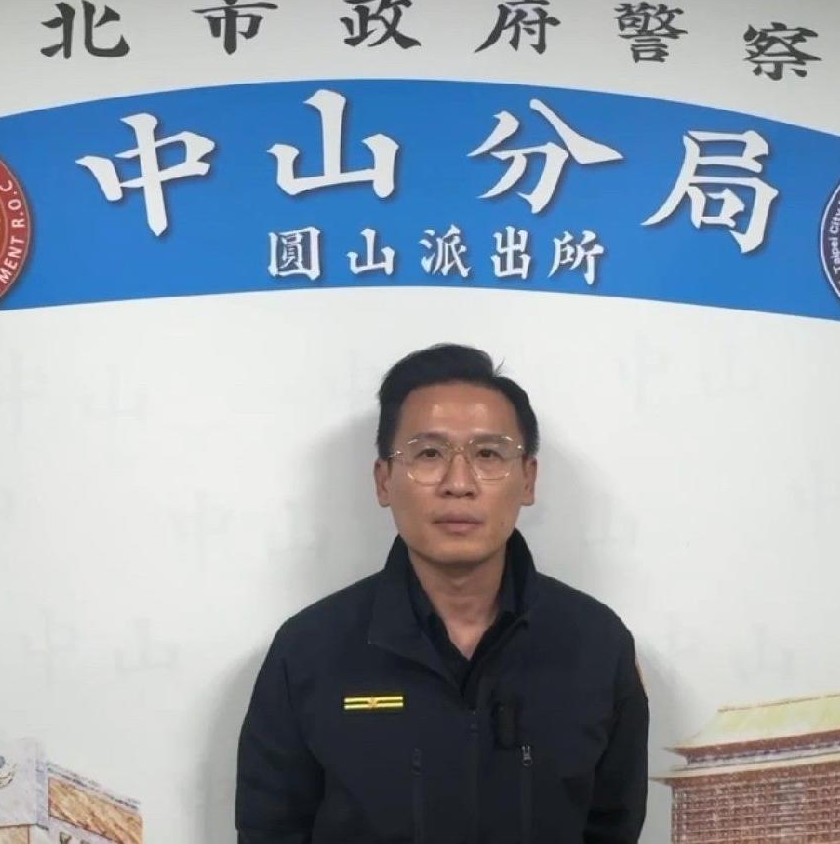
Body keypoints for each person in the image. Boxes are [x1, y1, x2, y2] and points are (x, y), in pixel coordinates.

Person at [235, 343, 648, 843]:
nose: (458, 483)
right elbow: (270, 831)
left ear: (528, 480)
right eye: (428, 454)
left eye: (488, 454)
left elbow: (613, 827)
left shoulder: (597, 645)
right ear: (384, 481)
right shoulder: (308, 651)